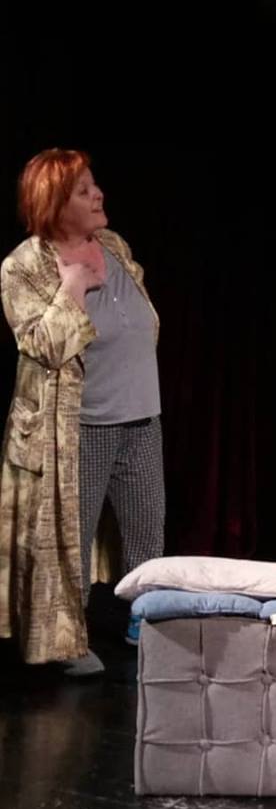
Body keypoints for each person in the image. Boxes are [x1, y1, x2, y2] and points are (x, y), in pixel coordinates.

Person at [0, 149, 164, 675]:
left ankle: (146, 622)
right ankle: (66, 641)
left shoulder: (114, 245)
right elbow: (44, 345)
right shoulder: (24, 266)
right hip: (78, 426)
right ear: (54, 202)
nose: (98, 195)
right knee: (69, 538)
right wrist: (72, 285)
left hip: (141, 417)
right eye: (84, 190)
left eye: (95, 186)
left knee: (146, 532)